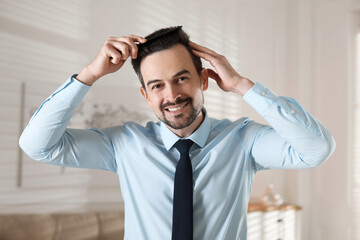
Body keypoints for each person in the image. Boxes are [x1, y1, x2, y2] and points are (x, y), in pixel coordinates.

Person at [19, 26, 336, 240]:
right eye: (157, 85)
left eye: (182, 78)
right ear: (146, 96)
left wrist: (241, 84)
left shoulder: (245, 140)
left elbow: (317, 149)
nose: (172, 95)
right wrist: (89, 74)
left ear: (204, 80)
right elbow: (37, 146)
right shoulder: (123, 144)